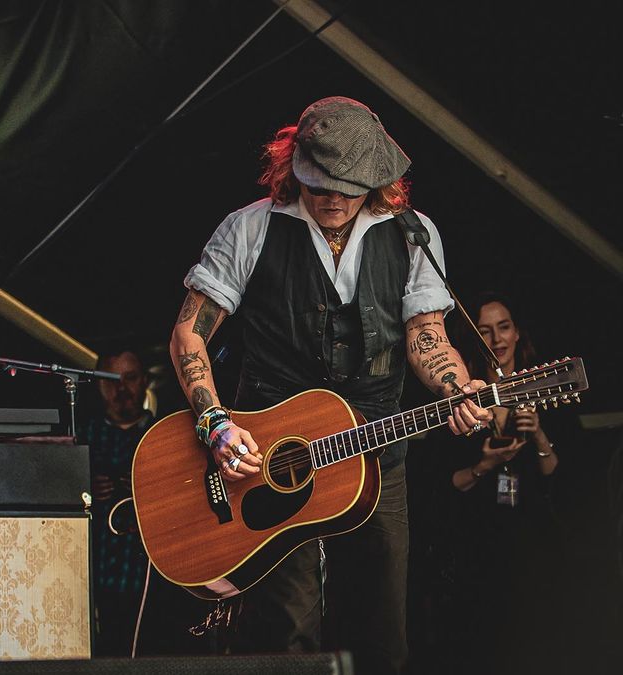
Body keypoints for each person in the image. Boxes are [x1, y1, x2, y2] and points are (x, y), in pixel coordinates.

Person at [168, 96, 492, 674]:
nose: (334, 198)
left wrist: (456, 389)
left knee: (381, 636)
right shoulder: (250, 228)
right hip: (273, 460)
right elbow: (189, 336)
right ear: (294, 169)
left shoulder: (414, 236)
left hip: (373, 454)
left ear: (377, 178)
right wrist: (215, 423)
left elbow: (428, 337)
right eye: (320, 184)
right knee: (285, 636)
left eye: (349, 185)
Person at [439, 292, 567, 674]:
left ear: (517, 333)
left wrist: (540, 435)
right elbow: (445, 484)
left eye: (504, 327)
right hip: (476, 547)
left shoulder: (544, 392)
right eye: (485, 331)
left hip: (532, 545)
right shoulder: (464, 401)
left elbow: (559, 479)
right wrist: (484, 464)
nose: (497, 339)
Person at [81, 349, 154, 656]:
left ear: (145, 382)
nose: (121, 389)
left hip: (149, 582)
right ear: (98, 386)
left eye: (130, 378)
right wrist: (83, 487)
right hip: (92, 577)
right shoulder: (82, 436)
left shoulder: (162, 434)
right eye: (111, 381)